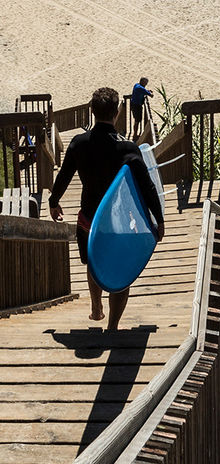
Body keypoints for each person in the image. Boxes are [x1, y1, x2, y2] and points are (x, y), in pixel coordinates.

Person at [49, 87, 165, 330]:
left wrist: (53, 201)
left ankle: (96, 307)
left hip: (89, 219)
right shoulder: (128, 148)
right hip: (121, 222)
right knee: (120, 271)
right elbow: (147, 187)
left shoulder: (79, 143)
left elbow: (64, 176)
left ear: (92, 111)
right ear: (117, 112)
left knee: (94, 262)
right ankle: (113, 326)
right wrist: (159, 218)